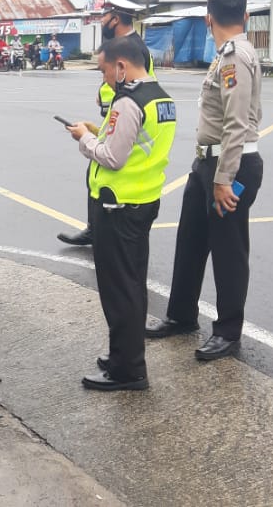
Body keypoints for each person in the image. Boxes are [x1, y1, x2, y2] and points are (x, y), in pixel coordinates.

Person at [148, 0, 263, 361]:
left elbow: (235, 124)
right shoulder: (225, 54)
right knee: (191, 240)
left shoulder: (234, 57)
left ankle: (228, 333)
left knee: (228, 251)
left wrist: (222, 179)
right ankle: (181, 316)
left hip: (229, 165)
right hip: (208, 162)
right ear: (245, 16)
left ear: (209, 18)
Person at [66, 36, 176, 391]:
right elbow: (138, 144)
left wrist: (85, 138)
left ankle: (127, 370)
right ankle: (124, 355)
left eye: (104, 71)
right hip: (141, 202)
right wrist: (100, 131)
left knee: (119, 291)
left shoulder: (128, 102)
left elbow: (112, 157)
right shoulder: (161, 98)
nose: (105, 79)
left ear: (121, 66)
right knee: (132, 286)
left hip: (117, 206)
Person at [58, 0, 154, 246]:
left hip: (128, 119)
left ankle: (98, 228)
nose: (102, 21)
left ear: (116, 18)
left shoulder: (134, 48)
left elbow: (140, 87)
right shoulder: (123, 44)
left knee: (103, 167)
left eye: (105, 16)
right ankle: (95, 227)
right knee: (94, 172)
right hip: (117, 115)